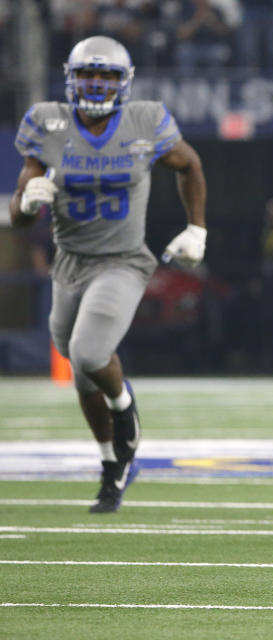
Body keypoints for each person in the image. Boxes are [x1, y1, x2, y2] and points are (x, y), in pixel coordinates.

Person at [9, 35, 208, 513]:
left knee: (90, 351)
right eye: (88, 75)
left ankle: (126, 413)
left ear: (125, 82)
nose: (97, 84)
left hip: (123, 260)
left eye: (107, 76)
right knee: (80, 376)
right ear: (71, 78)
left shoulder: (145, 120)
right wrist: (25, 203)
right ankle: (111, 463)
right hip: (69, 263)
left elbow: (190, 164)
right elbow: (18, 212)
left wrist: (196, 228)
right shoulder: (47, 122)